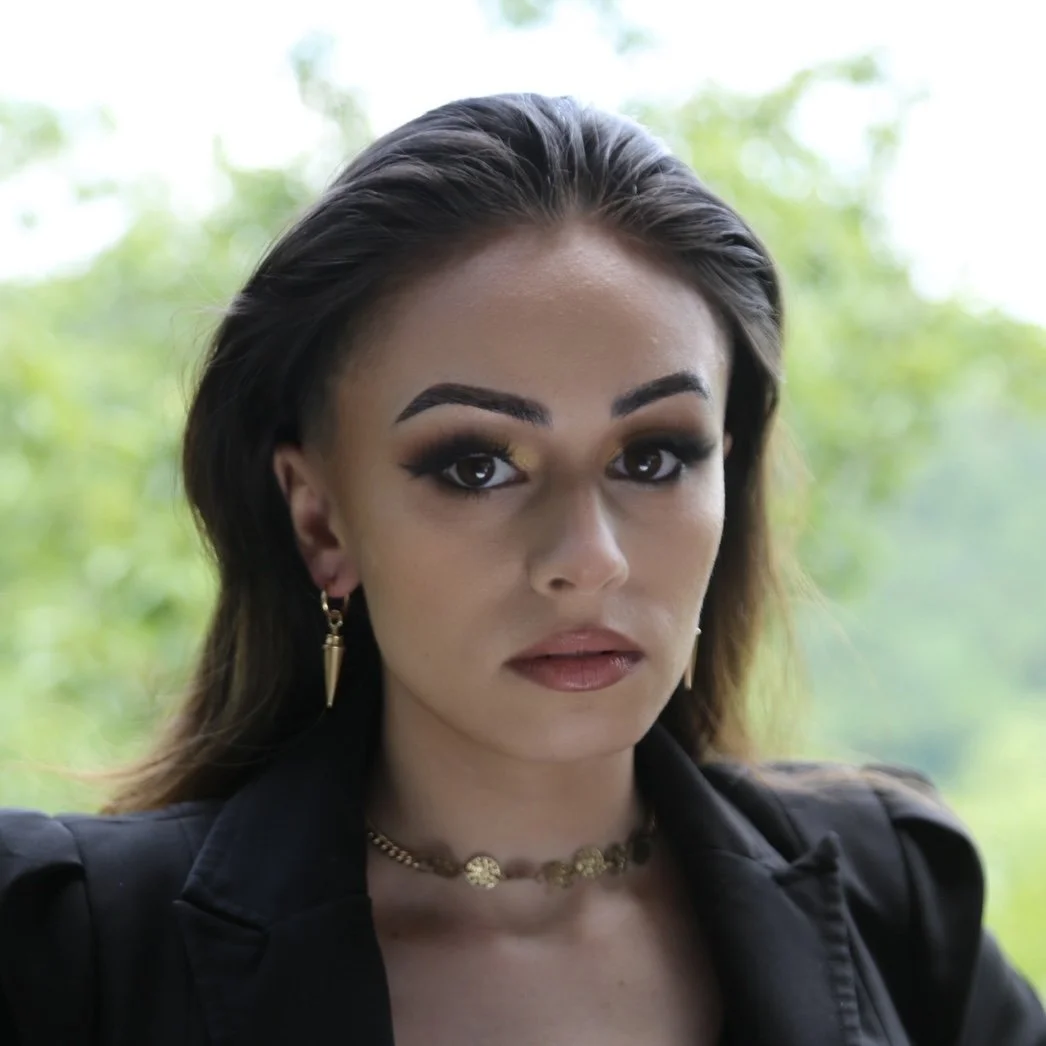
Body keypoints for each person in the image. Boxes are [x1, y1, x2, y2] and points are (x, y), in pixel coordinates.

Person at [1, 92, 1043, 1046]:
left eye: (652, 457)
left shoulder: (893, 899)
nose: (588, 559)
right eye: (476, 465)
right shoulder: (69, 952)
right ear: (320, 519)